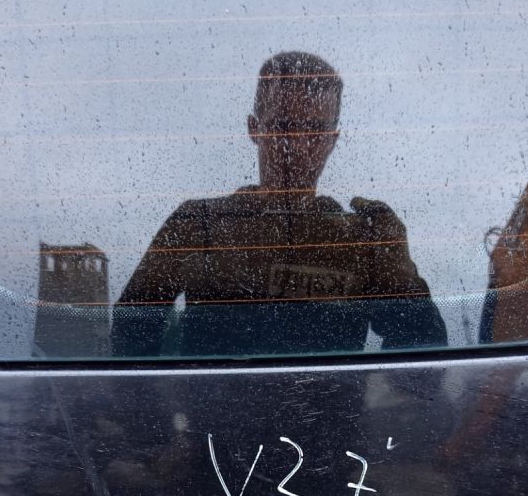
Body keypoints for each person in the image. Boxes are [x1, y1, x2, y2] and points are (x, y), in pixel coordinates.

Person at [111, 51, 447, 357]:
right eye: (283, 125)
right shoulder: (196, 224)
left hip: (325, 410)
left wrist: (393, 260)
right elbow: (132, 337)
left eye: (314, 130)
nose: (297, 145)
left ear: (332, 140)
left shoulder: (366, 238)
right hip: (214, 409)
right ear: (254, 128)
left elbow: (421, 354)